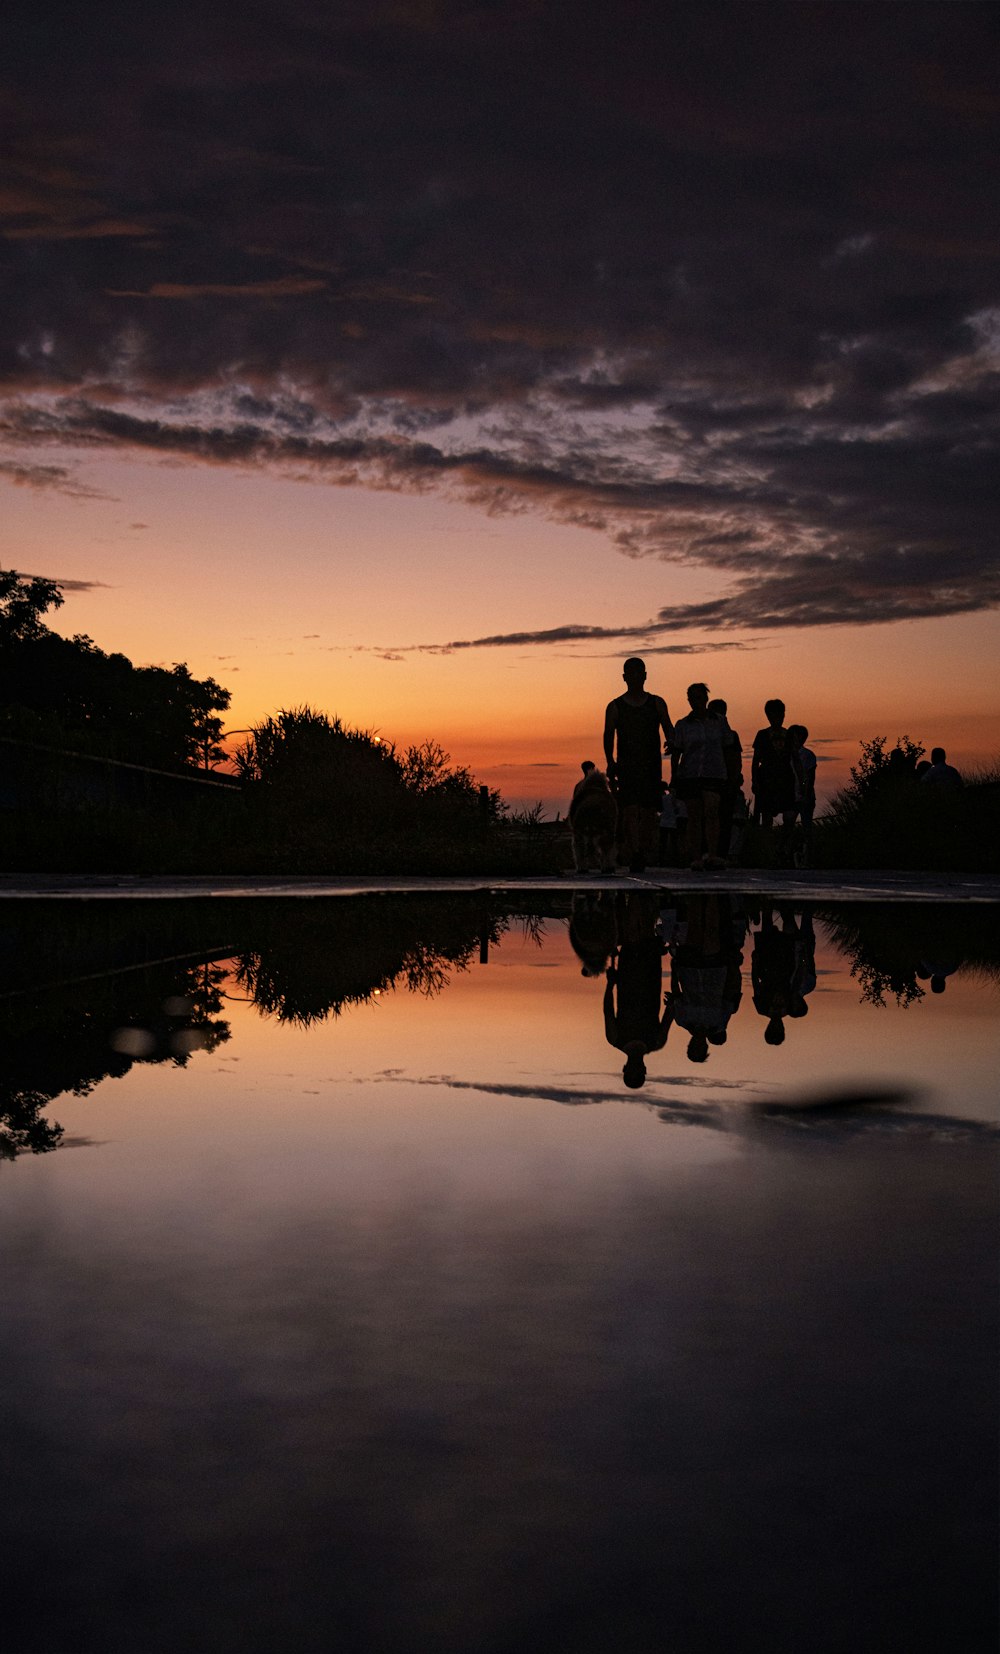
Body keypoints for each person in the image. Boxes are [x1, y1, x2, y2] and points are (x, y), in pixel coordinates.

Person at [604, 658, 673, 874]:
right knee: (631, 810)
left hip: (651, 766)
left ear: (645, 675)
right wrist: (610, 762)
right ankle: (635, 853)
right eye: (630, 673)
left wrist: (673, 742)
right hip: (627, 766)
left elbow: (668, 727)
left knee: (649, 811)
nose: (634, 677)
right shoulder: (615, 706)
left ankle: (641, 850)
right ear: (624, 677)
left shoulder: (657, 703)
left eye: (638, 673)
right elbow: (608, 736)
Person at [604, 892, 673, 1087]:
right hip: (651, 979)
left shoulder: (615, 1039)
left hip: (627, 980)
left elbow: (608, 1011)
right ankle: (642, 892)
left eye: (631, 1072)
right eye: (638, 1072)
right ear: (644, 1070)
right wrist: (673, 1003)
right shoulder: (656, 1042)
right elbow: (670, 1014)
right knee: (647, 933)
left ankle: (634, 891)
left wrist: (610, 984)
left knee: (632, 936)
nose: (635, 1068)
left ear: (624, 1069)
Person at [669, 683, 732, 870]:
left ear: (705, 699)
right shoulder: (682, 725)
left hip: (714, 773)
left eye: (698, 697)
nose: (695, 701)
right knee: (694, 816)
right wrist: (674, 777)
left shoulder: (720, 721)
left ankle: (713, 854)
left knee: (712, 811)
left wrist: (731, 773)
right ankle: (696, 857)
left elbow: (728, 747)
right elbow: (676, 752)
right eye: (691, 698)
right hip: (690, 774)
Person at [751, 698, 797, 858]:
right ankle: (770, 855)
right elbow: (756, 760)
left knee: (790, 817)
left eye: (781, 714)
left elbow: (795, 758)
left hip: (785, 779)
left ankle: (781, 848)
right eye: (775, 715)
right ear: (768, 716)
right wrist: (755, 781)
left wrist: (801, 782)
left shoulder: (789, 735)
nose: (779, 718)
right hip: (767, 780)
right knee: (767, 819)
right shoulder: (762, 735)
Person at [708, 696, 744, 862]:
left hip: (726, 781)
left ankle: (721, 854)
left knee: (724, 819)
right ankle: (712, 852)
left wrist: (734, 779)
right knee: (712, 817)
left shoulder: (730, 735)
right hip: (711, 780)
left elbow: (736, 759)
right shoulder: (705, 733)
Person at [788, 724, 817, 866]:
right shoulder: (786, 755)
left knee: (807, 828)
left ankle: (808, 859)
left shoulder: (808, 755)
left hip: (805, 797)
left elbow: (810, 778)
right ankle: (790, 856)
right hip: (790, 797)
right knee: (789, 828)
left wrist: (806, 794)